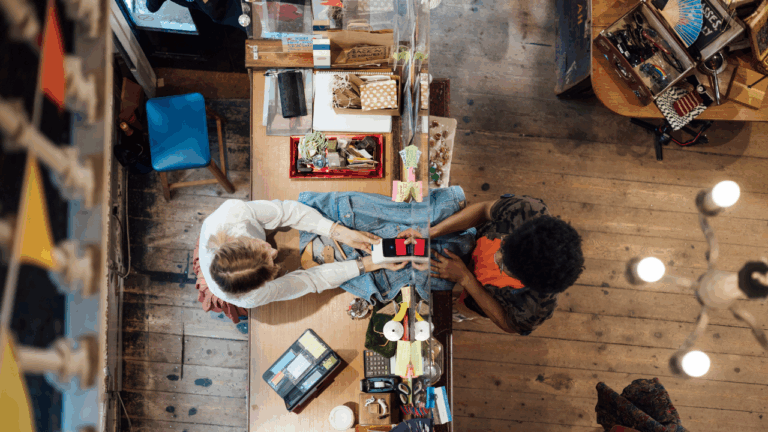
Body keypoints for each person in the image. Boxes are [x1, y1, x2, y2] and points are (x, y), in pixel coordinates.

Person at [194, 199, 406, 321]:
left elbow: (286, 212)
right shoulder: (251, 297)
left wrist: (337, 231)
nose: (273, 251)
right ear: (263, 282)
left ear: (233, 240)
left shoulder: (233, 213)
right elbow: (310, 281)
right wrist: (366, 264)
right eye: (271, 262)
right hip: (228, 287)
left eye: (261, 246)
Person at [416, 194, 585, 335]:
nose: (496, 256)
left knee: (460, 308)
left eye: (504, 265)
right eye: (504, 245)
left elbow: (507, 323)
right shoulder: (527, 211)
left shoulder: (536, 308)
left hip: (480, 296)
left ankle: (460, 313)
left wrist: (466, 279)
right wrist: (434, 232)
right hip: (469, 243)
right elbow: (484, 209)